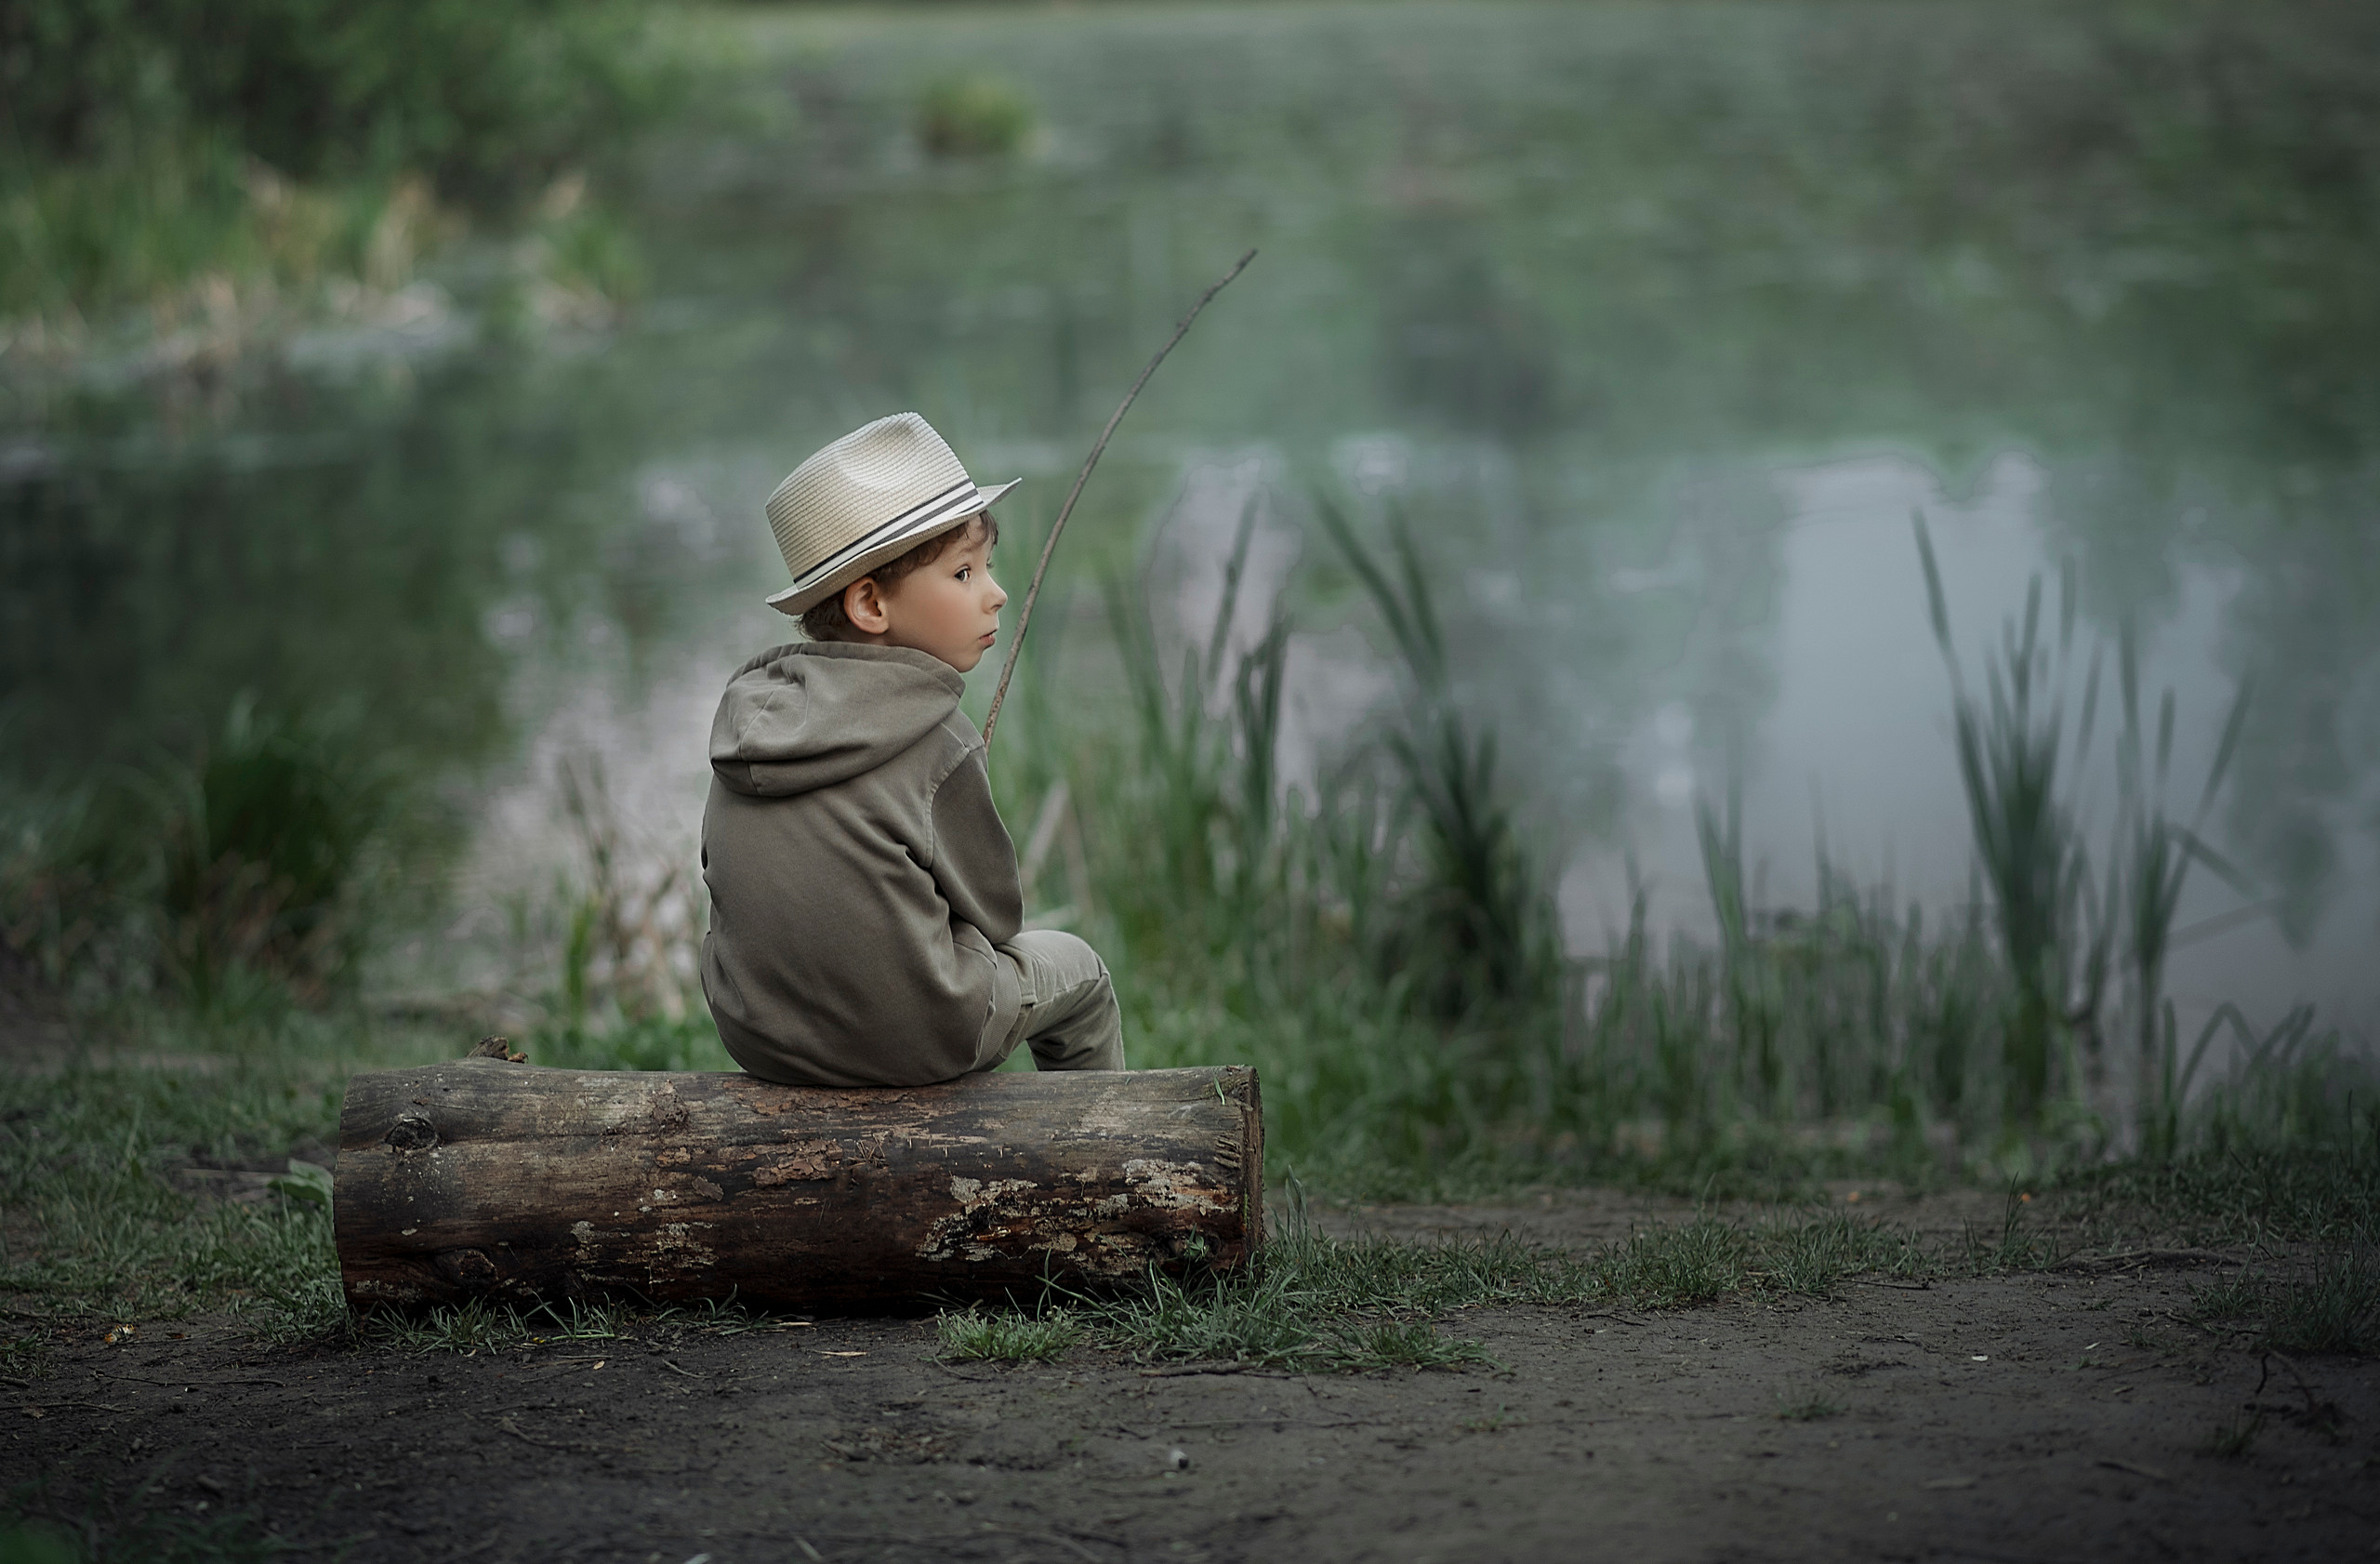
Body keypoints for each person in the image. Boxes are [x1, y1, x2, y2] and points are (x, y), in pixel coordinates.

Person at [697, 412, 1126, 1087]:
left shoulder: (747, 727)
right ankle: (1099, 1139)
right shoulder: (939, 739)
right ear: (870, 605)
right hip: (916, 1042)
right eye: (964, 573)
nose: (996, 594)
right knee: (1080, 973)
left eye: (988, 568)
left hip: (762, 1038)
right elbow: (998, 916)